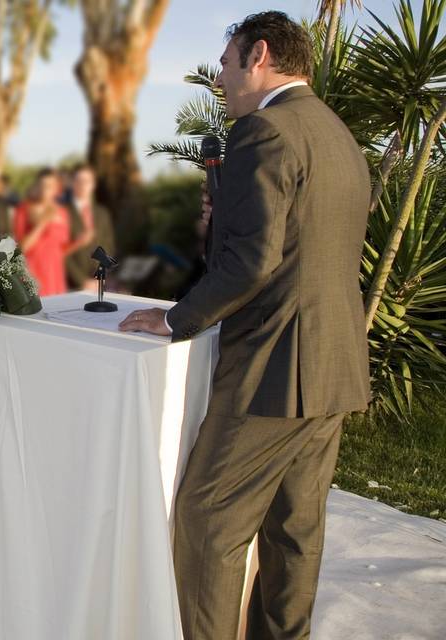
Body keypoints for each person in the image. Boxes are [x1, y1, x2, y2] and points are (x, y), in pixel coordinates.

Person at [119, 12, 370, 640]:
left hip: (272, 370)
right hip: (332, 364)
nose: (222, 79)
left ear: (259, 55)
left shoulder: (265, 131)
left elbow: (253, 265)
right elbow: (298, 244)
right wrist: (224, 217)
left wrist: (177, 319)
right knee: (293, 531)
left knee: (207, 522)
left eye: (228, 64)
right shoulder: (335, 134)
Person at [12, 168, 71, 297]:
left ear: (57, 189)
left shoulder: (63, 212)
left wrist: (81, 242)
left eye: (49, 186)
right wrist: (42, 222)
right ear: (36, 186)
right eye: (42, 185)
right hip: (33, 272)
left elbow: (63, 248)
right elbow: (22, 247)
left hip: (55, 275)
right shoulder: (23, 209)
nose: (45, 190)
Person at [64, 164, 117, 292]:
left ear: (93, 185)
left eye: (87, 181)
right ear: (72, 183)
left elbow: (108, 245)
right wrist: (81, 281)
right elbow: (61, 253)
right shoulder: (62, 213)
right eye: (79, 180)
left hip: (99, 283)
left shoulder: (102, 213)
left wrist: (101, 274)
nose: (83, 185)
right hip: (71, 285)